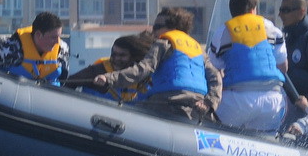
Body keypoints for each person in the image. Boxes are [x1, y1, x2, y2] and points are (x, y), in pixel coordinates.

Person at [83, 7, 222, 123]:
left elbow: (143, 69)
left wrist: (109, 78)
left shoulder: (163, 43)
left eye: (157, 27)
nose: (153, 31)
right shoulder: (199, 50)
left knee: (130, 115)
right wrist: (209, 103)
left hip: (168, 101)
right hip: (197, 105)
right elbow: (216, 78)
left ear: (172, 27)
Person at [208, 0, 289, 132]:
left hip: (237, 100)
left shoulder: (222, 32)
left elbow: (214, 69)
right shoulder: (272, 29)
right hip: (272, 100)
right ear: (253, 9)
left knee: (214, 127)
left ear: (232, 12)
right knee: (266, 137)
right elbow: (283, 67)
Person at [64, 32, 153, 103]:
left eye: (122, 55)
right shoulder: (97, 71)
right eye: (114, 54)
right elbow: (70, 82)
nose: (117, 58)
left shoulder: (141, 73)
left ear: (133, 57)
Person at [0, 11, 69, 85]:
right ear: (38, 35)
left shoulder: (62, 49)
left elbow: (63, 78)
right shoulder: (9, 48)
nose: (57, 42)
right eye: (53, 37)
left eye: (59, 37)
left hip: (50, 94)